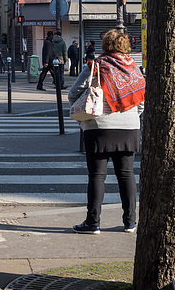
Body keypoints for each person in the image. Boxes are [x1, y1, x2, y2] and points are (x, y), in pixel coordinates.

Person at [69, 29, 145, 235]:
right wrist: (130, 116)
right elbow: (140, 100)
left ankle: (93, 222)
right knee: (127, 175)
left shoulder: (96, 65)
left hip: (99, 127)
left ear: (105, 45)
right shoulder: (134, 68)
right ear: (126, 46)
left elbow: (73, 93)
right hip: (129, 127)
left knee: (96, 176)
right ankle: (130, 222)